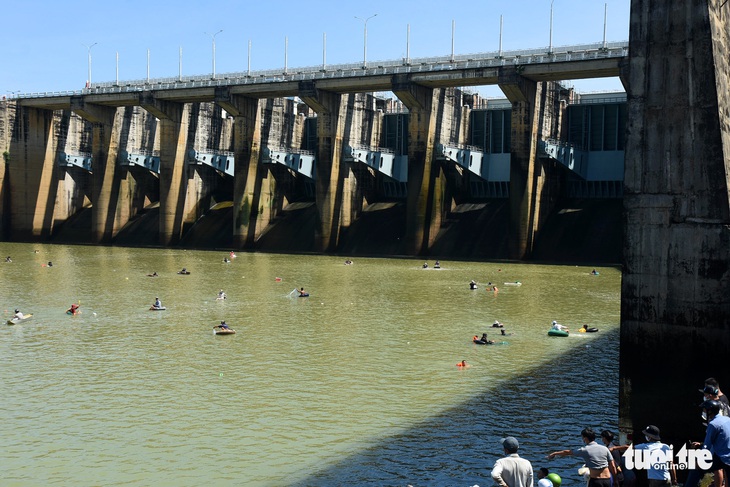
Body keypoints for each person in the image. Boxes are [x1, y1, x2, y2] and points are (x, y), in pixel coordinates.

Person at [547, 427, 617, 487]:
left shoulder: (585, 450)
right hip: (607, 479)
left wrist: (555, 453)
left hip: (596, 481)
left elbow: (568, 452)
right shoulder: (605, 449)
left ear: (585, 438)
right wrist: (615, 480)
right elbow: (613, 466)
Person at [688, 400, 730, 487]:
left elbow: (707, 446)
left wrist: (700, 461)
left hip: (722, 458)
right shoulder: (727, 419)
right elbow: (722, 437)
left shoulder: (713, 424)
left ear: (709, 411)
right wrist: (700, 443)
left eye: (704, 410)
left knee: (697, 467)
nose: (703, 412)